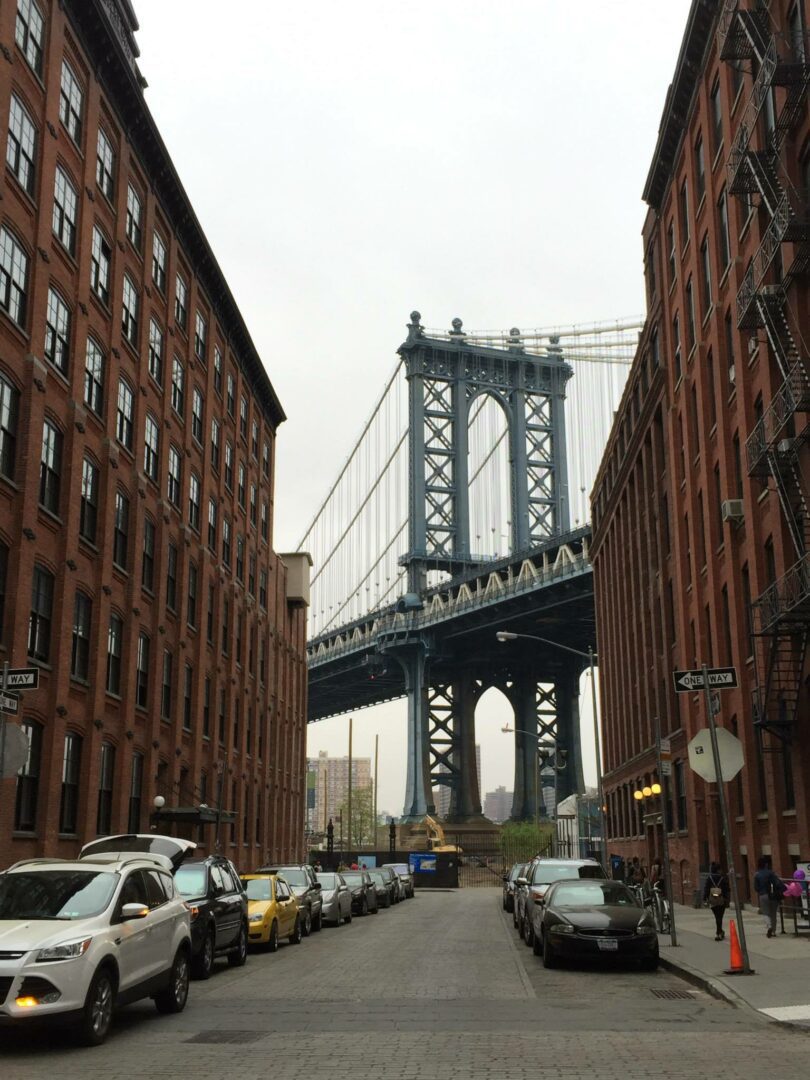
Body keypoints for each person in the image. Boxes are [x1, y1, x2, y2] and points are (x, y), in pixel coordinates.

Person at [753, 856, 786, 938]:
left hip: (763, 895)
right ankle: (774, 931)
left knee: (766, 912)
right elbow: (778, 883)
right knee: (773, 913)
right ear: (766, 864)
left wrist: (761, 890)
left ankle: (769, 926)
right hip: (773, 895)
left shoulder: (757, 875)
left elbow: (756, 888)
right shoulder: (771, 873)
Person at [703, 862, 730, 940]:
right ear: (718, 870)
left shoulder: (709, 878)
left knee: (716, 916)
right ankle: (718, 932)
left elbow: (706, 889)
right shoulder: (722, 878)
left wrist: (704, 898)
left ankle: (720, 931)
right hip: (721, 899)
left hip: (713, 899)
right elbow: (726, 889)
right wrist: (726, 898)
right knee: (720, 917)